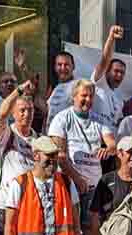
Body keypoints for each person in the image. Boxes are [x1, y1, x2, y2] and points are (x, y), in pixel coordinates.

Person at [48, 79, 117, 222]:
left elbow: (112, 144)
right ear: (74, 96)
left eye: (91, 96)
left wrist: (108, 150)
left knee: (92, 231)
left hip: (94, 187)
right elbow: (59, 156)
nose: (88, 100)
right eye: (84, 96)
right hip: (70, 185)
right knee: (72, 229)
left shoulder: (99, 120)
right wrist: (77, 179)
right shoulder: (61, 119)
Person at [0, 81, 41, 235]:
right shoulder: (6, 134)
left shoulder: (39, 139)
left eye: (30, 110)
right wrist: (18, 90)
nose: (27, 114)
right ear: (14, 112)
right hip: (4, 205)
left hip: (28, 206)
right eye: (22, 110)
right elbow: (0, 115)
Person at [90, 25, 127, 129]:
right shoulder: (99, 83)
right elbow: (104, 59)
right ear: (106, 71)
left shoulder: (119, 100)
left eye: (122, 73)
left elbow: (118, 123)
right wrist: (111, 38)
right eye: (116, 71)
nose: (119, 75)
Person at [45, 51, 77, 128]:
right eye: (59, 65)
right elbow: (46, 109)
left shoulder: (78, 85)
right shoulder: (55, 88)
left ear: (73, 66)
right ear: (55, 67)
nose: (63, 68)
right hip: (50, 135)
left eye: (66, 65)